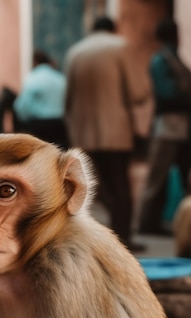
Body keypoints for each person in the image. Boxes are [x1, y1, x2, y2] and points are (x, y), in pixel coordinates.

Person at [64, 16, 148, 252]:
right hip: (115, 130)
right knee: (121, 187)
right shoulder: (120, 47)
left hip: (84, 132)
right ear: (114, 29)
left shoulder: (75, 52)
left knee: (92, 188)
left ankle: (90, 239)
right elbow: (139, 92)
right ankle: (122, 240)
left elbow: (67, 100)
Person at [138, 18, 191, 236]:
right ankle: (147, 224)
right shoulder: (163, 60)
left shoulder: (172, 59)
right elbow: (167, 93)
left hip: (180, 128)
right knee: (157, 179)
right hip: (169, 127)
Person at [13, 50, 68, 149]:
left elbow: (21, 107)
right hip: (60, 125)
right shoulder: (60, 78)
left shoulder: (33, 78)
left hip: (39, 127)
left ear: (35, 62)